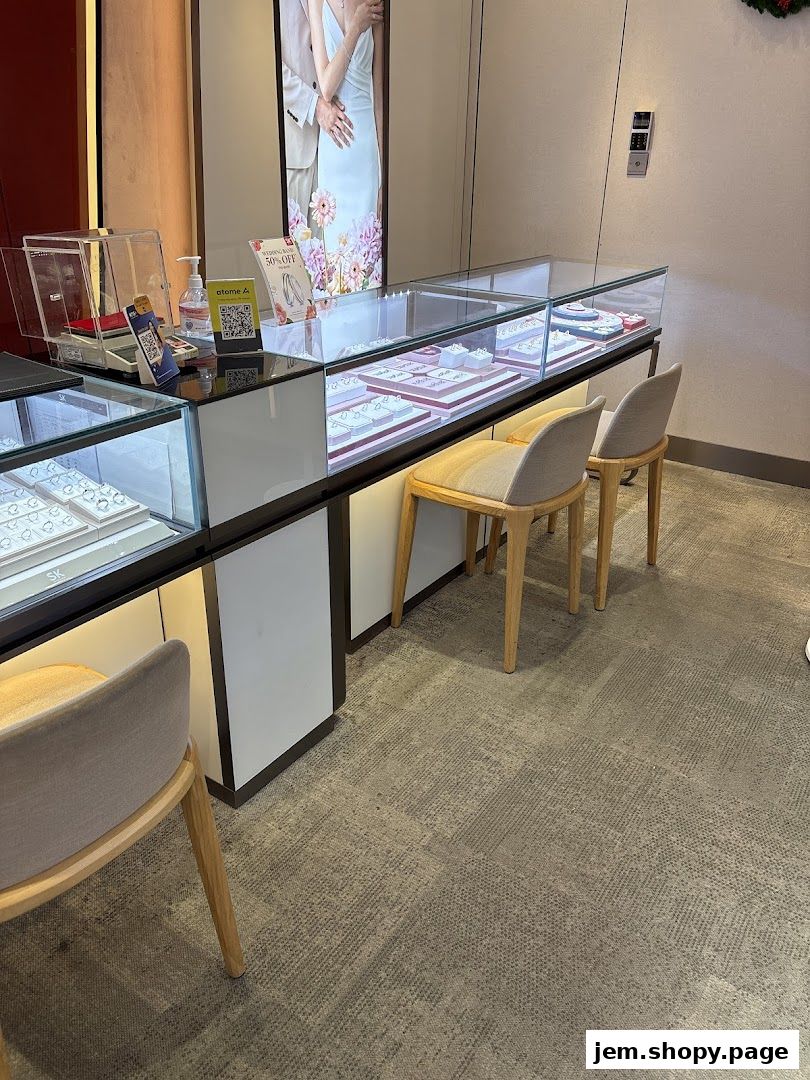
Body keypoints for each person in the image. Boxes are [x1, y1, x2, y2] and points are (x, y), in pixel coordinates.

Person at [308, 0, 384, 254]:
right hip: (334, 148)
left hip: (366, 149)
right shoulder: (316, 2)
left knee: (368, 253)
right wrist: (355, 29)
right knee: (336, 254)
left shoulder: (375, 5)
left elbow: (380, 102)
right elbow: (327, 87)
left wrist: (384, 175)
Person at [280, 0, 355, 229]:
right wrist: (315, 106)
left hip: (341, 144)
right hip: (299, 143)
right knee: (298, 248)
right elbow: (270, 67)